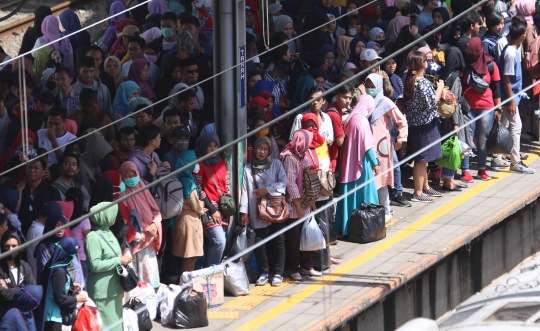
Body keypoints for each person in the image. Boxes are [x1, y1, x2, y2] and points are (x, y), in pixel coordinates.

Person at [240, 136, 287, 286]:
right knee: (259, 242)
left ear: (270, 151)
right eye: (260, 148)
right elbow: (245, 191)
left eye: (265, 149)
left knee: (278, 240)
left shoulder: (276, 164)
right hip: (256, 210)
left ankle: (278, 272)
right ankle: (264, 272)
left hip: (274, 208)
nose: (262, 152)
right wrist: (244, 212)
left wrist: (266, 190)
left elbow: (283, 183)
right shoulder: (248, 168)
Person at [365, 73, 408, 219]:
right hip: (367, 146)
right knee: (369, 178)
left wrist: (401, 139)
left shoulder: (386, 102)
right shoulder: (365, 102)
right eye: (368, 85)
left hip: (381, 146)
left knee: (381, 178)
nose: (370, 88)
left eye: (373, 86)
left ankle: (386, 209)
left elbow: (402, 121)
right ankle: (372, 210)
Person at [279, 129, 321, 279]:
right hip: (293, 205)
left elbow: (309, 178)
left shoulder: (303, 155)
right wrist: (297, 205)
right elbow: (290, 183)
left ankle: (307, 265)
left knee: (305, 235)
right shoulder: (289, 157)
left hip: (304, 203)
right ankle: (295, 268)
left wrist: (311, 202)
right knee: (294, 238)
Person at [404, 51, 444, 202]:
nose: (427, 62)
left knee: (424, 159)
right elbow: (431, 103)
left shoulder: (410, 79)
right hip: (425, 125)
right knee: (421, 160)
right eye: (424, 60)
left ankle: (425, 187)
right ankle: (418, 192)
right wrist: (440, 87)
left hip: (416, 124)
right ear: (421, 64)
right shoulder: (421, 82)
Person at [497, 17, 534, 174]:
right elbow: (506, 78)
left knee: (503, 126)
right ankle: (515, 161)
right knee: (516, 127)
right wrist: (511, 101)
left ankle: (497, 157)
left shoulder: (512, 49)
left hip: (512, 96)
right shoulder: (511, 52)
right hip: (509, 97)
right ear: (523, 36)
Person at [86, 202, 131, 331]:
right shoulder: (92, 237)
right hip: (102, 292)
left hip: (115, 288)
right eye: (111, 214)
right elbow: (94, 265)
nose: (115, 218)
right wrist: (118, 260)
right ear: (104, 216)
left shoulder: (109, 233)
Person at [462, 37, 501, 181]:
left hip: (487, 107)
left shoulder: (491, 65)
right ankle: (465, 170)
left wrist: (498, 109)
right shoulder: (465, 64)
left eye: (469, 49)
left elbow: (496, 89)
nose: (467, 51)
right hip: (468, 107)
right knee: (467, 139)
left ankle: (481, 169)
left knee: (482, 139)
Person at [119, 161, 162, 288]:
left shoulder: (142, 187)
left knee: (151, 277)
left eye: (134, 174)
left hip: (150, 241)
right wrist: (147, 227)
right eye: (129, 175)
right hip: (137, 242)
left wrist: (155, 223)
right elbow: (127, 218)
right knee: (140, 280)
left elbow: (156, 210)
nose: (132, 178)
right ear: (123, 176)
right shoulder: (122, 194)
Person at [193, 132, 229, 267]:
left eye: (216, 146)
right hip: (208, 209)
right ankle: (209, 274)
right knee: (219, 241)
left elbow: (226, 185)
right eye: (210, 147)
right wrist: (213, 209)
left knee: (224, 241)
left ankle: (214, 276)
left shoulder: (221, 162)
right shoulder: (199, 165)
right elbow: (197, 189)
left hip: (223, 209)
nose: (214, 150)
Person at [36, 237, 86, 331]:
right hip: (53, 317)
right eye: (74, 253)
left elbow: (55, 286)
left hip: (50, 314)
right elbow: (60, 299)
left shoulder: (54, 266)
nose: (75, 255)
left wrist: (70, 286)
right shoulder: (59, 272)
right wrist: (77, 299)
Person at [169, 150, 205, 281]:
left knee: (185, 256)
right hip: (190, 222)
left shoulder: (178, 178)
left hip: (180, 221)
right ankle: (186, 288)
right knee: (190, 258)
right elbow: (196, 205)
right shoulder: (189, 183)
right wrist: (202, 205)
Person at [17, 158, 61, 234]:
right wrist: (19, 191)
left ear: (43, 173)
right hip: (22, 232)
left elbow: (58, 213)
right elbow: (15, 213)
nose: (32, 170)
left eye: (36, 168)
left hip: (44, 233)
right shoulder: (20, 188)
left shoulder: (51, 191)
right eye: (30, 167)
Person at [0, 231, 36, 317]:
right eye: (7, 246)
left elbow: (33, 293)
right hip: (4, 317)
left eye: (14, 246)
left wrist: (10, 289)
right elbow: (3, 294)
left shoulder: (25, 266)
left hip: (24, 317)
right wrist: (23, 289)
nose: (10, 249)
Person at [64, 187, 91, 280]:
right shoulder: (84, 219)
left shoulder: (64, 218)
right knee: (83, 287)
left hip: (67, 256)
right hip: (82, 257)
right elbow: (89, 239)